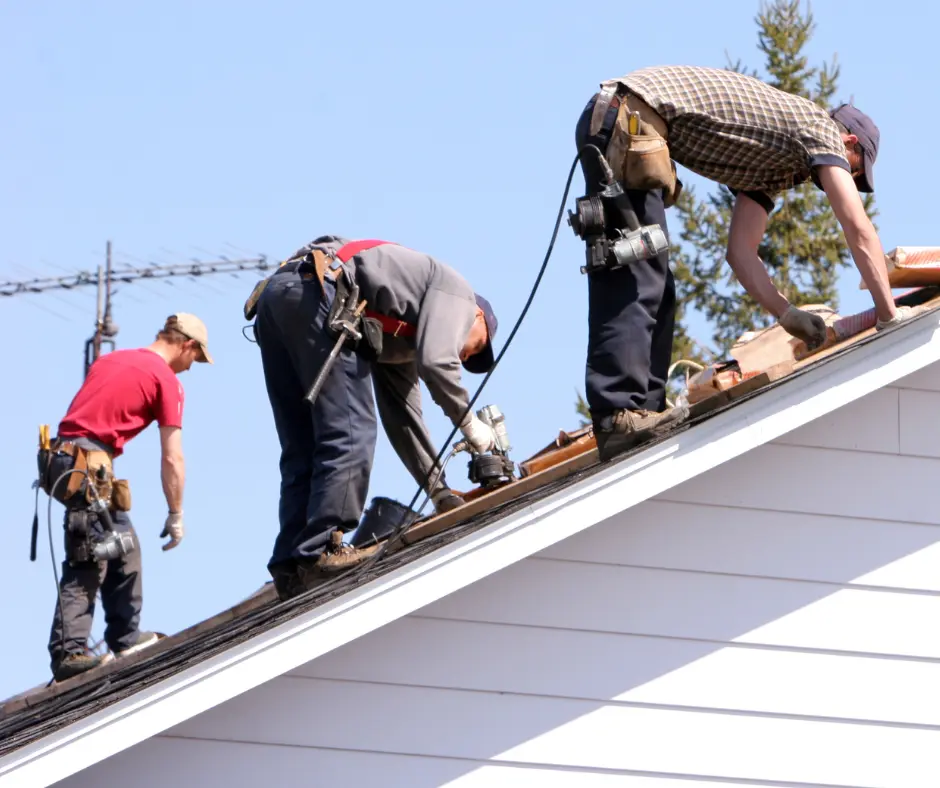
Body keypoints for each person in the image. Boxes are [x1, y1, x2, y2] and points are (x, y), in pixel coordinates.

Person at [575, 64, 914, 461]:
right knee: (637, 270)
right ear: (848, 142)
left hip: (630, 121)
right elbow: (857, 227)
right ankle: (619, 417)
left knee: (657, 283)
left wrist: (787, 314)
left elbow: (740, 252)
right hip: (628, 117)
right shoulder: (819, 128)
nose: (846, 180)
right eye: (854, 170)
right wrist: (889, 316)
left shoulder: (773, 167)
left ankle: (643, 414)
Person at [251, 236, 499, 600]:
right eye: (476, 345)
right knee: (351, 432)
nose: (464, 355)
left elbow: (404, 418)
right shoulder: (458, 294)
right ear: (477, 315)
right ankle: (322, 550)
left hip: (282, 296)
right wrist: (469, 424)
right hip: (319, 290)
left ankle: (291, 566)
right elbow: (437, 364)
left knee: (305, 444)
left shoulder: (401, 334)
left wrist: (439, 492)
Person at [42, 313, 212, 681]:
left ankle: (125, 636)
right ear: (187, 344)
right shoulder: (165, 380)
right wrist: (176, 513)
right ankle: (69, 653)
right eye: (194, 359)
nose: (190, 368)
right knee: (90, 557)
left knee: (124, 546)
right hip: (87, 464)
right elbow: (172, 456)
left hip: (63, 458)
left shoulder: (111, 360)